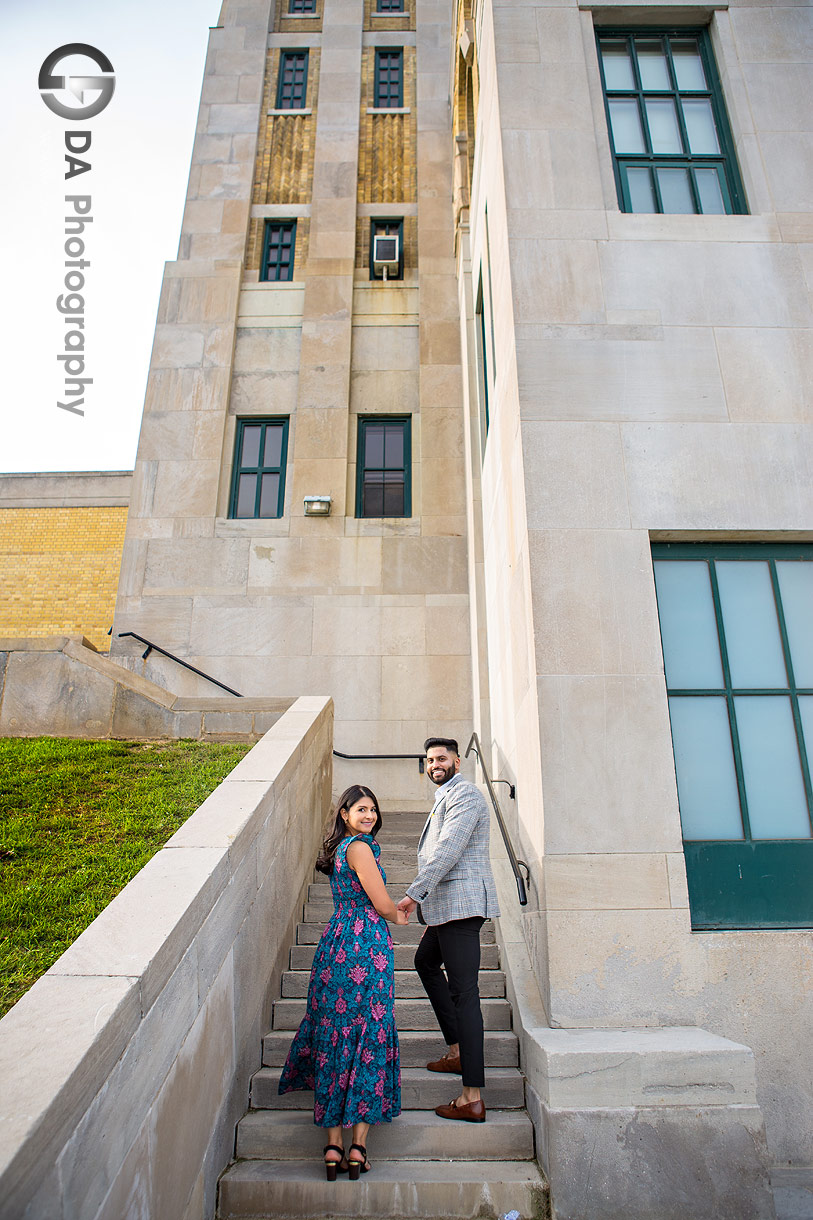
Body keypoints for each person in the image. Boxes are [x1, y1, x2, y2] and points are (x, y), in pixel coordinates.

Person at [278, 784, 407, 1179]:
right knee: (369, 1034)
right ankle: (357, 1147)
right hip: (365, 946)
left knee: (334, 1033)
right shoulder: (361, 848)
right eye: (361, 809)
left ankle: (333, 1145)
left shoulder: (339, 850)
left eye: (373, 809)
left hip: (336, 943)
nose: (369, 815)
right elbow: (382, 904)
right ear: (345, 814)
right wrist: (400, 914)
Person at [396, 737, 500, 1123]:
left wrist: (415, 894)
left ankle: (471, 1096)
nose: (434, 764)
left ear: (458, 761)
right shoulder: (446, 796)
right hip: (446, 910)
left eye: (441, 758)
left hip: (461, 906)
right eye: (429, 760)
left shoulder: (466, 794)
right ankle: (457, 1051)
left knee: (465, 994)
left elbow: (449, 850)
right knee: (425, 962)